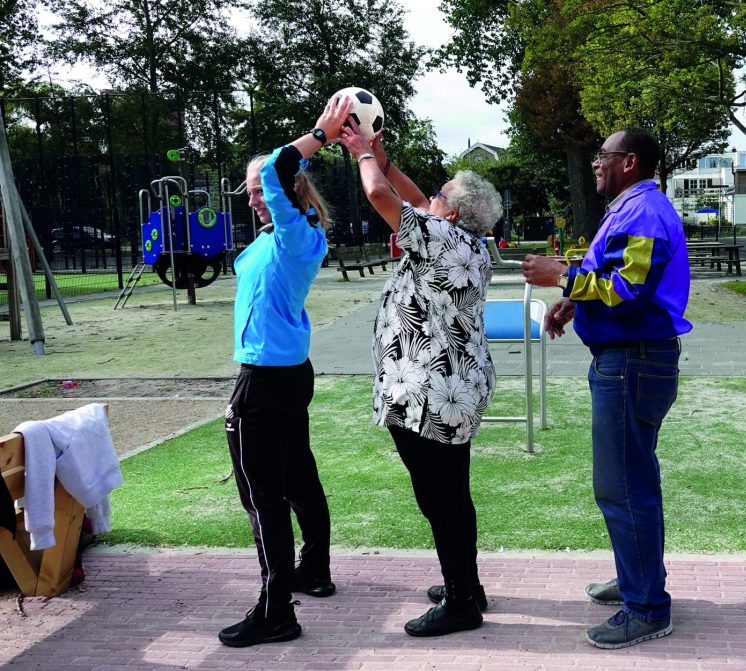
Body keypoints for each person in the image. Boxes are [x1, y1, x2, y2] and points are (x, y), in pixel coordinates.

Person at [521, 127, 691, 649]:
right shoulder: (631, 207)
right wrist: (575, 303)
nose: (597, 164)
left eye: (604, 156)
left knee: (622, 485)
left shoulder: (642, 211)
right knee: (631, 479)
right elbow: (613, 276)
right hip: (629, 361)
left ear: (630, 162)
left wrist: (562, 277)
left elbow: (629, 286)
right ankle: (638, 578)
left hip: (632, 364)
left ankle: (646, 607)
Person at [338, 101, 502, 638]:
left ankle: (461, 603)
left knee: (440, 498)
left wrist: (364, 156)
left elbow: (382, 196)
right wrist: (379, 152)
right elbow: (408, 194)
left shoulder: (438, 237)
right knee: (451, 493)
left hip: (430, 392)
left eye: (438, 197)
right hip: (453, 387)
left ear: (449, 213)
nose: (427, 198)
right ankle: (467, 586)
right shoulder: (470, 240)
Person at [218, 98, 346, 647]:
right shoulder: (275, 239)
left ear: (284, 189)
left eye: (255, 190)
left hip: (268, 380)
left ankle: (276, 610)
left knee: (262, 497)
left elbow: (275, 168)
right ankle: (310, 570)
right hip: (283, 373)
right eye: (248, 191)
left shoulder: (298, 237)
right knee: (294, 479)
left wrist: (323, 131)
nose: (251, 197)